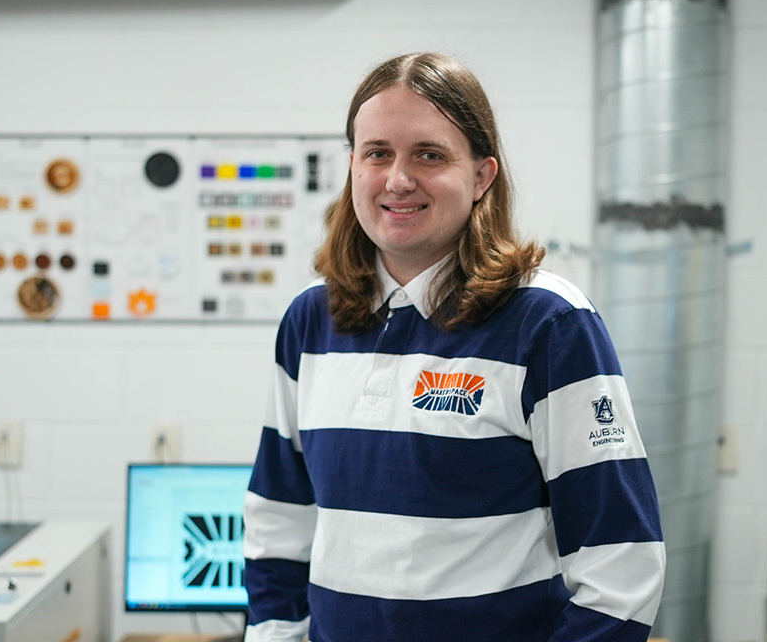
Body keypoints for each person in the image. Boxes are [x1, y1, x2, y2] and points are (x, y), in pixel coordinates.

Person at [242, 52, 664, 642]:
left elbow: (622, 565)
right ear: (353, 166)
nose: (398, 179)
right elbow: (278, 525)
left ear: (482, 176)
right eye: (377, 153)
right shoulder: (310, 321)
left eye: (429, 155)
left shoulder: (549, 323)